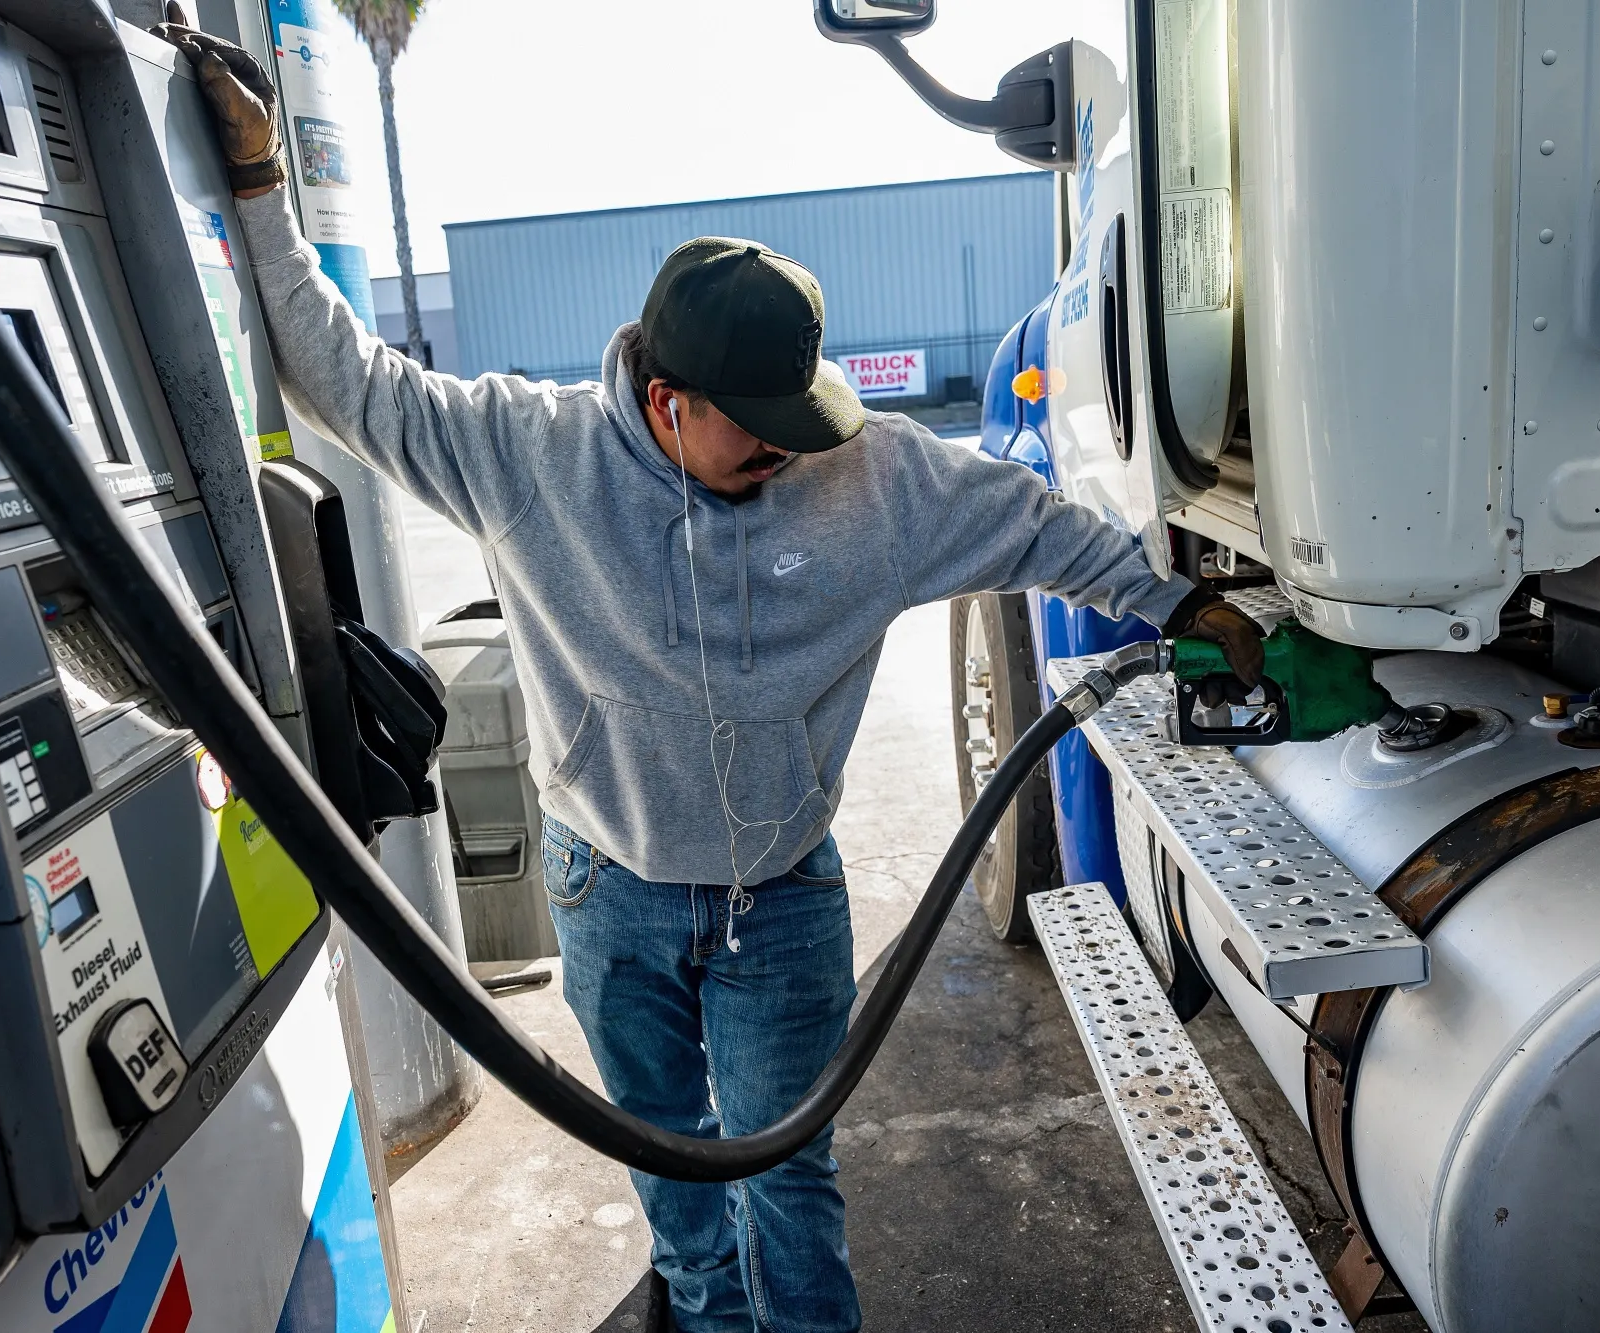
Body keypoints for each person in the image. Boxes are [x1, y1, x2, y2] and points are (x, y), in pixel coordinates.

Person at [159, 24, 1266, 1332]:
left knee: (790, 1179)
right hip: (609, 891)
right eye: (761, 431)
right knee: (676, 1183)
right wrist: (258, 197)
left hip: (781, 900)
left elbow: (1047, 530)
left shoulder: (883, 480)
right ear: (667, 395)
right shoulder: (532, 457)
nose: (794, 455)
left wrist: (1188, 602)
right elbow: (349, 380)